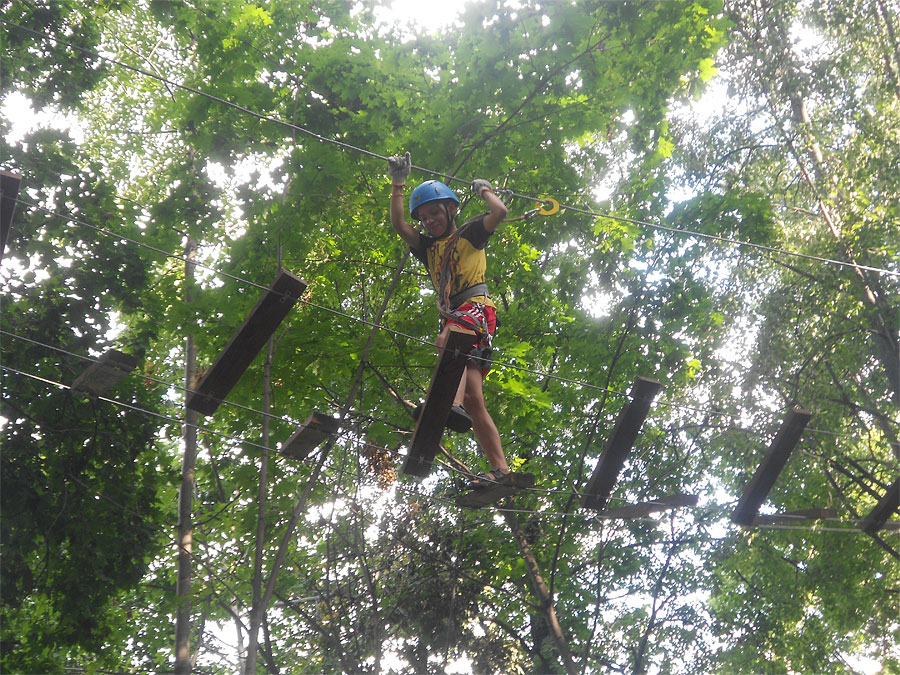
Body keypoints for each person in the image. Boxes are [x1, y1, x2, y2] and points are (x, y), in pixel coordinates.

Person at [388, 151, 510, 487]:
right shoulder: (427, 248)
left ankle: (445, 404)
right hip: (455, 314)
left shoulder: (471, 233)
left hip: (475, 307)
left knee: (448, 340)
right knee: (474, 399)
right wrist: (398, 184)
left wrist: (485, 190)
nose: (429, 221)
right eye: (424, 217)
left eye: (434, 213)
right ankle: (501, 469)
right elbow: (399, 224)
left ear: (450, 209)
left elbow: (499, 212)